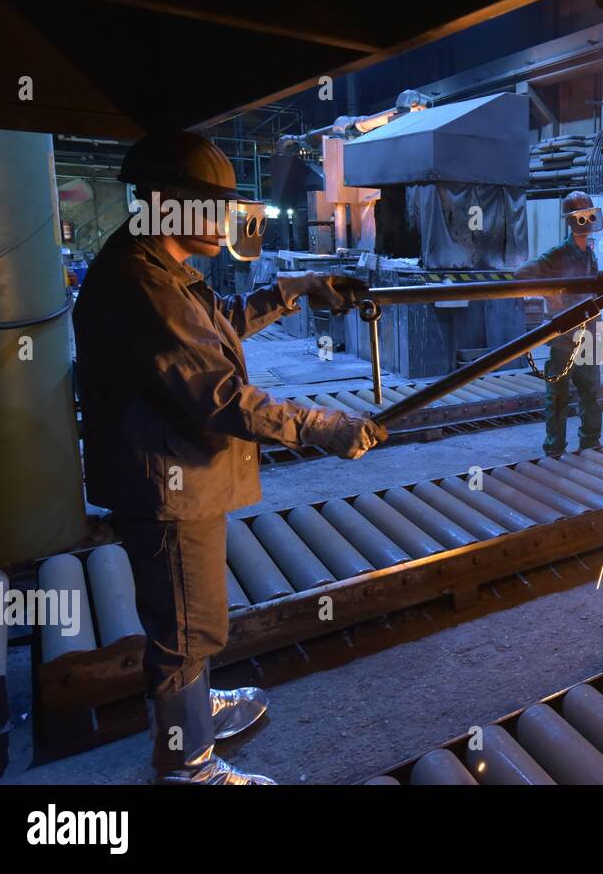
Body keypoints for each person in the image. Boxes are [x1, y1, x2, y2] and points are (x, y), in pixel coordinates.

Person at [73, 132, 387, 784]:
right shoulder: (142, 285)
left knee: (188, 613)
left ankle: (192, 707)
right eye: (214, 204)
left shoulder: (157, 270)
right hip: (167, 482)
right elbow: (220, 396)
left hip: (175, 474)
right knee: (186, 624)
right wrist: (322, 426)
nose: (225, 219)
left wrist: (293, 289)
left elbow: (220, 319)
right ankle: (187, 763)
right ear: (172, 205)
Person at [515, 191, 603, 456]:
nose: (587, 221)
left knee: (591, 394)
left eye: (590, 215)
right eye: (582, 216)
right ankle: (555, 449)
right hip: (565, 338)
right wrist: (552, 297)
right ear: (571, 221)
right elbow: (522, 273)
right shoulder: (558, 254)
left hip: (587, 336)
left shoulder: (589, 253)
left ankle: (590, 443)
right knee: (558, 397)